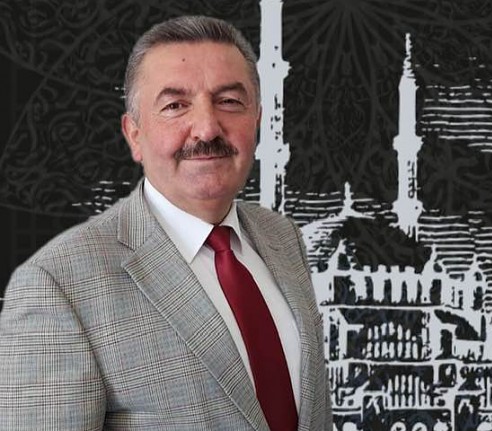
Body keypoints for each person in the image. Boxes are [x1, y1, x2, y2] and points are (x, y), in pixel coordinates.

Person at [0, 15, 332, 431]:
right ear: (134, 134)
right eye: (175, 106)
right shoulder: (58, 286)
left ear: (258, 120)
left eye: (229, 101)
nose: (207, 128)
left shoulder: (282, 238)